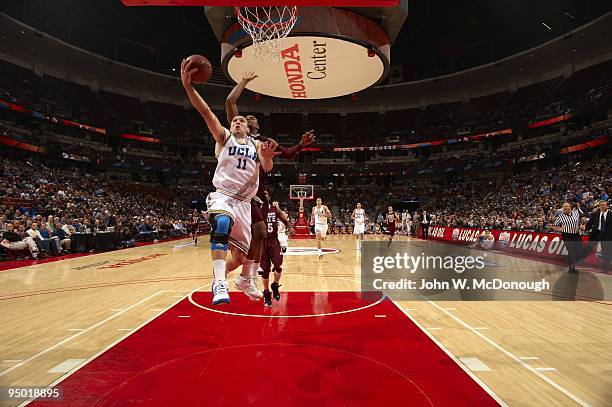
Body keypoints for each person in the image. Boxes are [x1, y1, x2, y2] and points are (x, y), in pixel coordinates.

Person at [181, 58, 279, 305]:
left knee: (246, 251)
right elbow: (205, 111)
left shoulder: (257, 145)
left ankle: (245, 279)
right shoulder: (225, 138)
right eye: (235, 120)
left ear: (248, 129)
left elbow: (267, 167)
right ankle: (219, 283)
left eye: (241, 121)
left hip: (245, 204)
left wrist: (267, 158)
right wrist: (189, 87)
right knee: (222, 223)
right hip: (223, 195)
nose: (237, 122)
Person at [225, 71, 315, 293]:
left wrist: (301, 144)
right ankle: (222, 274)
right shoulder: (238, 136)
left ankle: (247, 278)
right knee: (242, 245)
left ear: (257, 127)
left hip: (255, 192)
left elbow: (287, 153)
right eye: (245, 118)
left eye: (251, 118)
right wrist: (243, 82)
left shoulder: (264, 142)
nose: (249, 119)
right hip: (232, 191)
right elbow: (230, 102)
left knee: (261, 233)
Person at [259, 191, 291, 307]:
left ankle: (275, 285)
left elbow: (283, 218)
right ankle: (266, 293)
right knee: (265, 270)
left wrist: (290, 226)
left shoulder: (274, 208)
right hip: (262, 242)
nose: (266, 194)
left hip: (274, 241)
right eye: (264, 193)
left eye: (267, 193)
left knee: (278, 265)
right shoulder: (255, 209)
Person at [553, 202, 586, 273]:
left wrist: (581, 226)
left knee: (579, 250)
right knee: (571, 251)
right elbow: (554, 226)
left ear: (570, 207)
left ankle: (569, 258)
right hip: (567, 236)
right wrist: (560, 229)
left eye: (566, 206)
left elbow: (582, 217)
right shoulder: (560, 216)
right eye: (563, 207)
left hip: (576, 235)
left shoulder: (576, 213)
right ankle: (571, 267)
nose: (564, 208)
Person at [584, 200, 611, 273]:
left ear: (607, 206)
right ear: (599, 206)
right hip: (596, 234)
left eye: (603, 205)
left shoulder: (611, 214)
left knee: (606, 252)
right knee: (588, 248)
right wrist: (586, 229)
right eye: (600, 205)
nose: (602, 206)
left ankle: (605, 269)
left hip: (607, 235)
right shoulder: (594, 214)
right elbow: (590, 223)